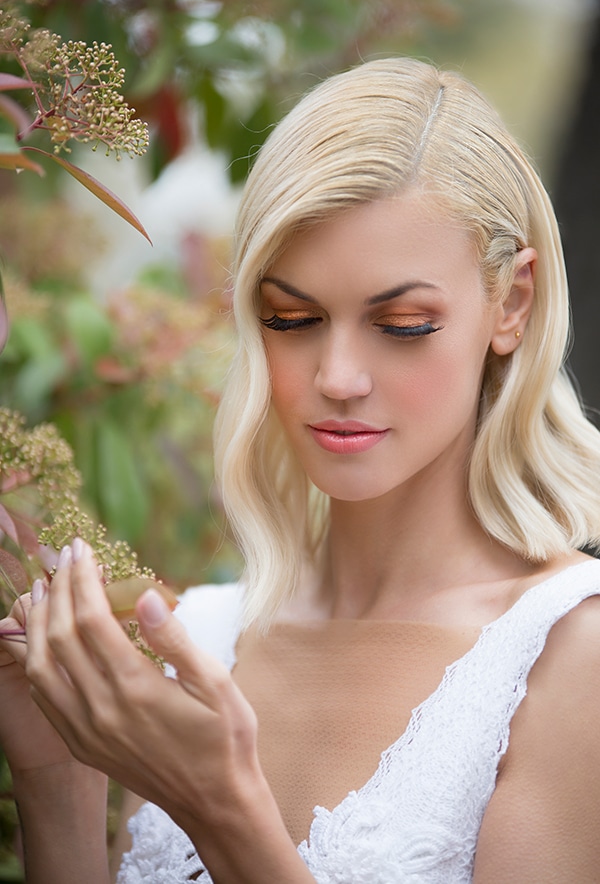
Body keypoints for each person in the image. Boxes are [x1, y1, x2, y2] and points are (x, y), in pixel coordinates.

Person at [2, 56, 600, 884]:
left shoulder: (571, 658)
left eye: (402, 324)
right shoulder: (205, 636)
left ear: (512, 304)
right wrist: (57, 783)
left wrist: (222, 811)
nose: (338, 378)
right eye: (293, 318)